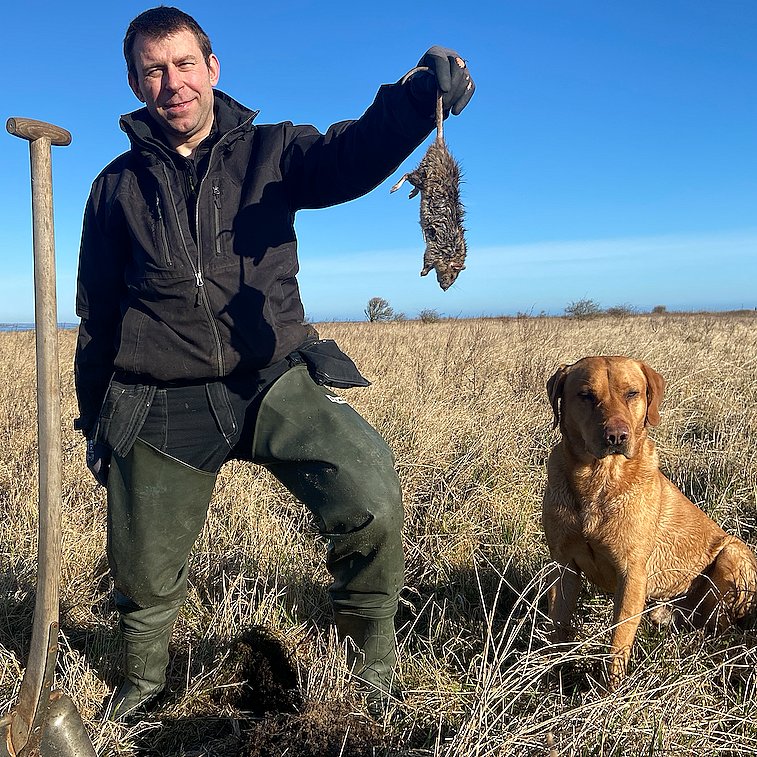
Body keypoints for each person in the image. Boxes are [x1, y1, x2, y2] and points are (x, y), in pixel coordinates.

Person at [74, 6, 475, 721]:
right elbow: (98, 314)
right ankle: (140, 689)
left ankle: (370, 676)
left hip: (272, 376)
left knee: (371, 493)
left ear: (212, 67)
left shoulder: (274, 151)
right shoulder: (114, 188)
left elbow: (349, 158)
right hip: (160, 395)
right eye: (154, 70)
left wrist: (416, 99)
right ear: (136, 83)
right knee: (140, 570)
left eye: (184, 64)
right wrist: (95, 417)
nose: (173, 83)